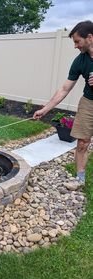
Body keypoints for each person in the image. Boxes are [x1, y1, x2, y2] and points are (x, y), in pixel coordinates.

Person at [33, 20, 93, 185]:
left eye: (77, 41)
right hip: (89, 103)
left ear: (89, 37)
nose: (75, 46)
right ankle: (80, 179)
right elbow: (65, 89)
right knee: (82, 143)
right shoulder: (80, 61)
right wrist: (45, 109)